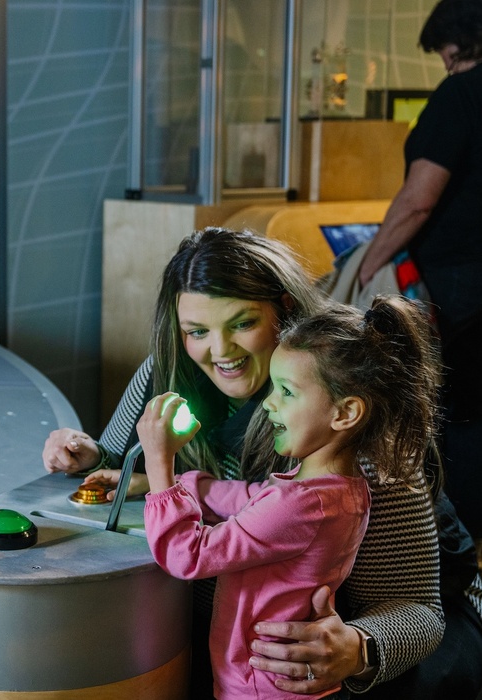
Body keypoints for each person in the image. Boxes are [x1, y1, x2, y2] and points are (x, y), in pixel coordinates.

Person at [43, 228, 482, 698]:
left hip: (353, 654)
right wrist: (91, 455)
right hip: (233, 642)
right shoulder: (167, 369)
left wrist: (357, 647)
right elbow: (126, 464)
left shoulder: (349, 411)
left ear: (285, 310)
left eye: (242, 323)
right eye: (196, 331)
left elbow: (417, 610)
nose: (220, 351)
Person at [141, 296, 439, 699]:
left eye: (286, 391)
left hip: (257, 683)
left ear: (345, 413)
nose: (268, 403)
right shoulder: (339, 491)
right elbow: (256, 498)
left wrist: (160, 465)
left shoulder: (301, 503)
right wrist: (189, 485)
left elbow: (188, 555)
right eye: (197, 330)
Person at [357, 0, 482, 538]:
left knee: (458, 415)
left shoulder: (460, 95)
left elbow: (418, 201)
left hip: (459, 285)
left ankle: (451, 549)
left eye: (446, 55)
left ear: (461, 42)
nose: (446, 66)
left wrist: (368, 263)